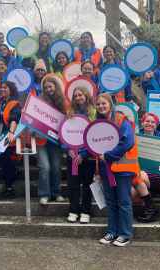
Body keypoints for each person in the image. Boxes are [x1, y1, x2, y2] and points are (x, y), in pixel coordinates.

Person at [94, 93, 137, 247]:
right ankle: (111, 231)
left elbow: (128, 142)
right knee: (111, 202)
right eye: (98, 104)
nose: (101, 106)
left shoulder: (120, 119)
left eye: (103, 103)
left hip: (122, 168)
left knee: (123, 202)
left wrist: (109, 155)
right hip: (106, 169)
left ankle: (125, 234)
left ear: (110, 104)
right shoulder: (97, 123)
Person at [66, 87, 97, 223]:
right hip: (72, 156)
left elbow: (95, 135)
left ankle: (86, 211)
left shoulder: (94, 113)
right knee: (73, 184)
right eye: (76, 95)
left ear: (86, 96)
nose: (78, 97)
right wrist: (68, 149)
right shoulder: (69, 113)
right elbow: (64, 133)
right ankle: (73, 210)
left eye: (81, 95)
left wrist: (83, 154)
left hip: (88, 156)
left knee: (87, 185)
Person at [37, 75, 67, 205]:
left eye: (50, 86)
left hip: (56, 140)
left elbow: (67, 121)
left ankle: (56, 193)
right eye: (46, 87)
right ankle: (44, 194)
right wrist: (34, 132)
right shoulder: (39, 101)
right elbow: (32, 119)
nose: (48, 89)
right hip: (41, 139)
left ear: (55, 86)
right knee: (45, 167)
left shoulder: (63, 102)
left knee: (55, 167)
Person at [0, 81, 21, 199]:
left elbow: (14, 118)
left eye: (5, 88)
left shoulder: (15, 103)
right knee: (2, 161)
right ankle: (9, 185)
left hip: (8, 137)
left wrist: (11, 132)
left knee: (6, 161)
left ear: (11, 89)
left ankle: (10, 187)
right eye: (1, 88)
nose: (2, 89)